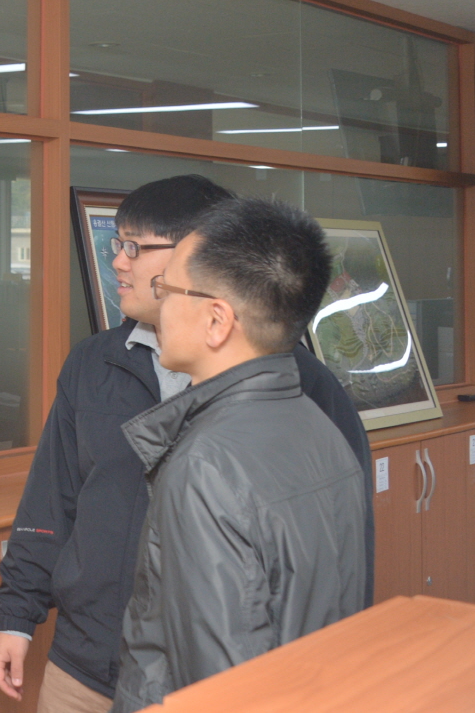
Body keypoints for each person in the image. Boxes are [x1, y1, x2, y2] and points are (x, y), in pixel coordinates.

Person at [0, 176, 369, 713]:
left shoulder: (292, 400)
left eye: (136, 248)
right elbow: (52, 502)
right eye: (117, 243)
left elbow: (305, 581)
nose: (118, 262)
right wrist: (16, 614)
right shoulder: (94, 364)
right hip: (88, 662)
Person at [109, 198, 369, 711]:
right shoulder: (320, 428)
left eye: (168, 290)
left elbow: (221, 688)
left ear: (217, 321)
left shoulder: (205, 467)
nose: (159, 304)